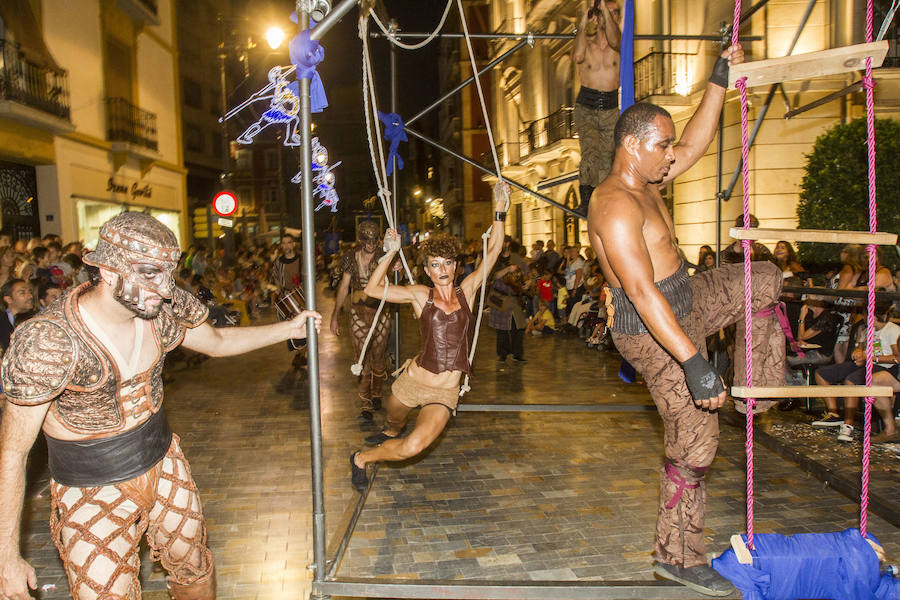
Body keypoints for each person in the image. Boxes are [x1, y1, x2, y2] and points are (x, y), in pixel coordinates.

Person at [0, 212, 321, 600]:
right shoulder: (49, 341)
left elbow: (216, 342)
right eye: (151, 273)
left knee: (194, 568)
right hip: (90, 488)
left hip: (164, 461)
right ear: (108, 270)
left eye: (169, 274)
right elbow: (13, 453)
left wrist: (288, 329)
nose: (166, 288)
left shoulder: (160, 307)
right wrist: (5, 557)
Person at [586, 44, 787, 597]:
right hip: (651, 330)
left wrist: (718, 79)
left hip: (686, 297)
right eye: (662, 146)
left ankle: (756, 393)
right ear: (632, 146)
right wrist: (695, 363)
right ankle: (676, 556)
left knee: (763, 278)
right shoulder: (613, 204)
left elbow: (697, 141)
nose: (671, 155)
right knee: (696, 442)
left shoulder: (647, 180)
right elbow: (641, 291)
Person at [349, 186, 507, 492]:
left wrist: (499, 210)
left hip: (444, 394)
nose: (443, 270)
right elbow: (372, 289)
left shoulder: (468, 291)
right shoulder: (421, 295)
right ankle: (388, 430)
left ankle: (360, 458)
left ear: (456, 266)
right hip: (411, 382)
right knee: (394, 426)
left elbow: (495, 249)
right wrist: (390, 251)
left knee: (412, 447)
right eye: (435, 265)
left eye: (448, 264)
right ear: (427, 270)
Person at [330, 220, 397, 424]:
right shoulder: (351, 257)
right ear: (361, 240)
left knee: (379, 356)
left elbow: (396, 279)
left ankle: (377, 393)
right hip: (358, 312)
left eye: (374, 240)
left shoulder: (384, 256)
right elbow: (343, 287)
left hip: (381, 312)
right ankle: (365, 404)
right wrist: (334, 316)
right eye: (367, 241)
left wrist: (397, 264)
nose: (371, 244)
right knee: (361, 359)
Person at [811, 303, 899, 443]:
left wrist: (871, 358)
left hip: (885, 366)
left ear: (872, 316)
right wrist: (858, 353)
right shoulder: (866, 330)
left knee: (851, 381)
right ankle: (834, 413)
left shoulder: (892, 330)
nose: (863, 317)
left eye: (865, 314)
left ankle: (848, 425)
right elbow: (860, 348)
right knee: (822, 373)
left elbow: (897, 357)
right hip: (866, 364)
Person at [572, 0, 621, 215]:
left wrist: (605, 14)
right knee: (590, 152)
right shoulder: (588, 44)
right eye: (609, 13)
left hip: (610, 107)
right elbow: (577, 56)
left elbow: (615, 40)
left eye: (616, 13)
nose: (614, 16)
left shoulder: (620, 47)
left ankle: (601, 200)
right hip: (587, 105)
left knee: (608, 158)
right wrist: (584, 22)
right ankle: (585, 200)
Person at [0, 278, 35, 352]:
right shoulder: (2, 321)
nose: (30, 296)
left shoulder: (36, 319)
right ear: (9, 299)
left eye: (30, 292)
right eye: (22, 292)